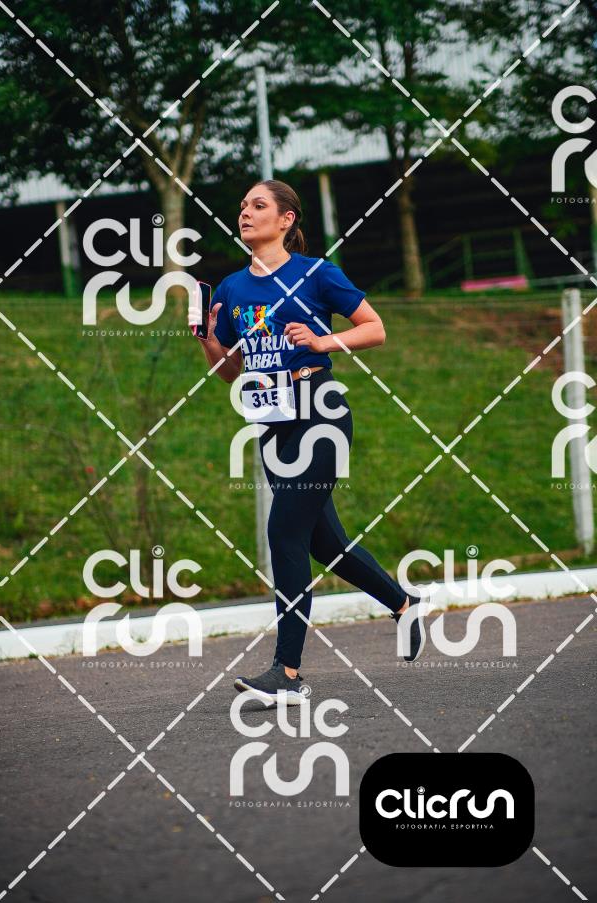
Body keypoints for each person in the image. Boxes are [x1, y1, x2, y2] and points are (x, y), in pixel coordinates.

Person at [191, 179, 425, 705]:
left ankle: (288, 674)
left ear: (286, 219)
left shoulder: (317, 273)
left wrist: (323, 341)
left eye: (258, 205)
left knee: (283, 533)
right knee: (323, 544)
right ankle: (404, 604)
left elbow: (375, 328)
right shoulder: (230, 289)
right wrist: (208, 342)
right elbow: (230, 371)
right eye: (242, 206)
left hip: (320, 412)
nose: (245, 213)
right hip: (272, 423)